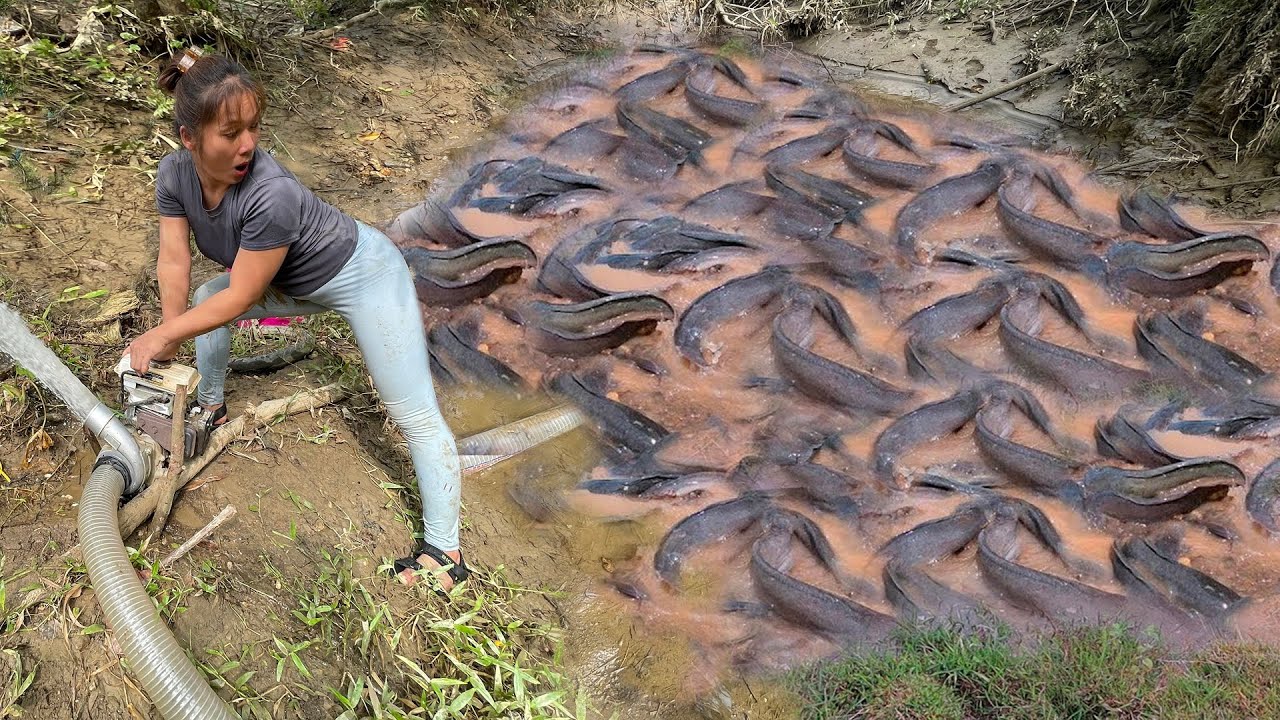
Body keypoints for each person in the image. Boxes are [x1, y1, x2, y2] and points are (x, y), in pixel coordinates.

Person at [123, 47, 467, 591]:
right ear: (189, 138)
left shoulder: (271, 192)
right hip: (291, 282)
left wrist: (165, 332)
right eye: (230, 133)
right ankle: (208, 403)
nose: (247, 145)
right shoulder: (173, 176)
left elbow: (241, 298)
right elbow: (174, 258)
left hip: (367, 276)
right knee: (206, 296)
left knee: (413, 413)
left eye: (254, 128)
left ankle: (446, 553)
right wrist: (169, 339)